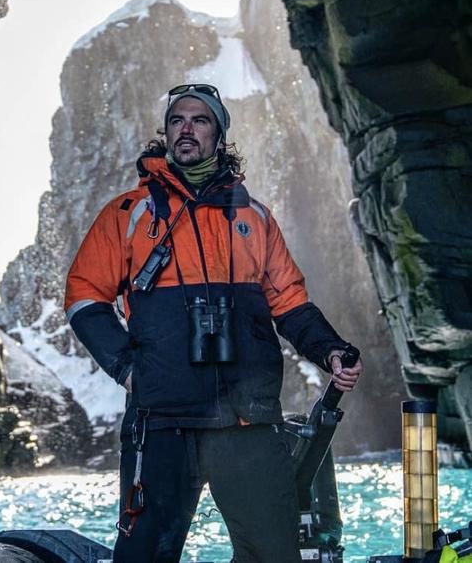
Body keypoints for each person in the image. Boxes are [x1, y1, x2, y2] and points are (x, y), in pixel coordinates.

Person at [64, 83, 363, 562]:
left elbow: (289, 301)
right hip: (161, 421)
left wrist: (329, 349)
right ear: (165, 134)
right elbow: (83, 297)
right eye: (177, 120)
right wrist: (128, 369)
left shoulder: (255, 217)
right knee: (145, 555)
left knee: (273, 555)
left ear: (218, 135)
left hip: (246, 420)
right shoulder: (127, 214)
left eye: (199, 120)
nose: (186, 128)